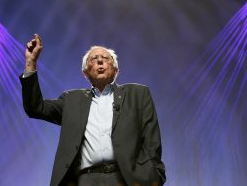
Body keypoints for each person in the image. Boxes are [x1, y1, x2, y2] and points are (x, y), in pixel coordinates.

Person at [20, 34, 166, 186]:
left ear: (116, 70)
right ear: (85, 73)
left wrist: (153, 173)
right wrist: (31, 63)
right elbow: (35, 108)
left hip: (126, 179)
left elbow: (152, 140)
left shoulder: (138, 94)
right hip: (85, 180)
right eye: (94, 59)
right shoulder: (71, 100)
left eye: (106, 58)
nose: (100, 60)